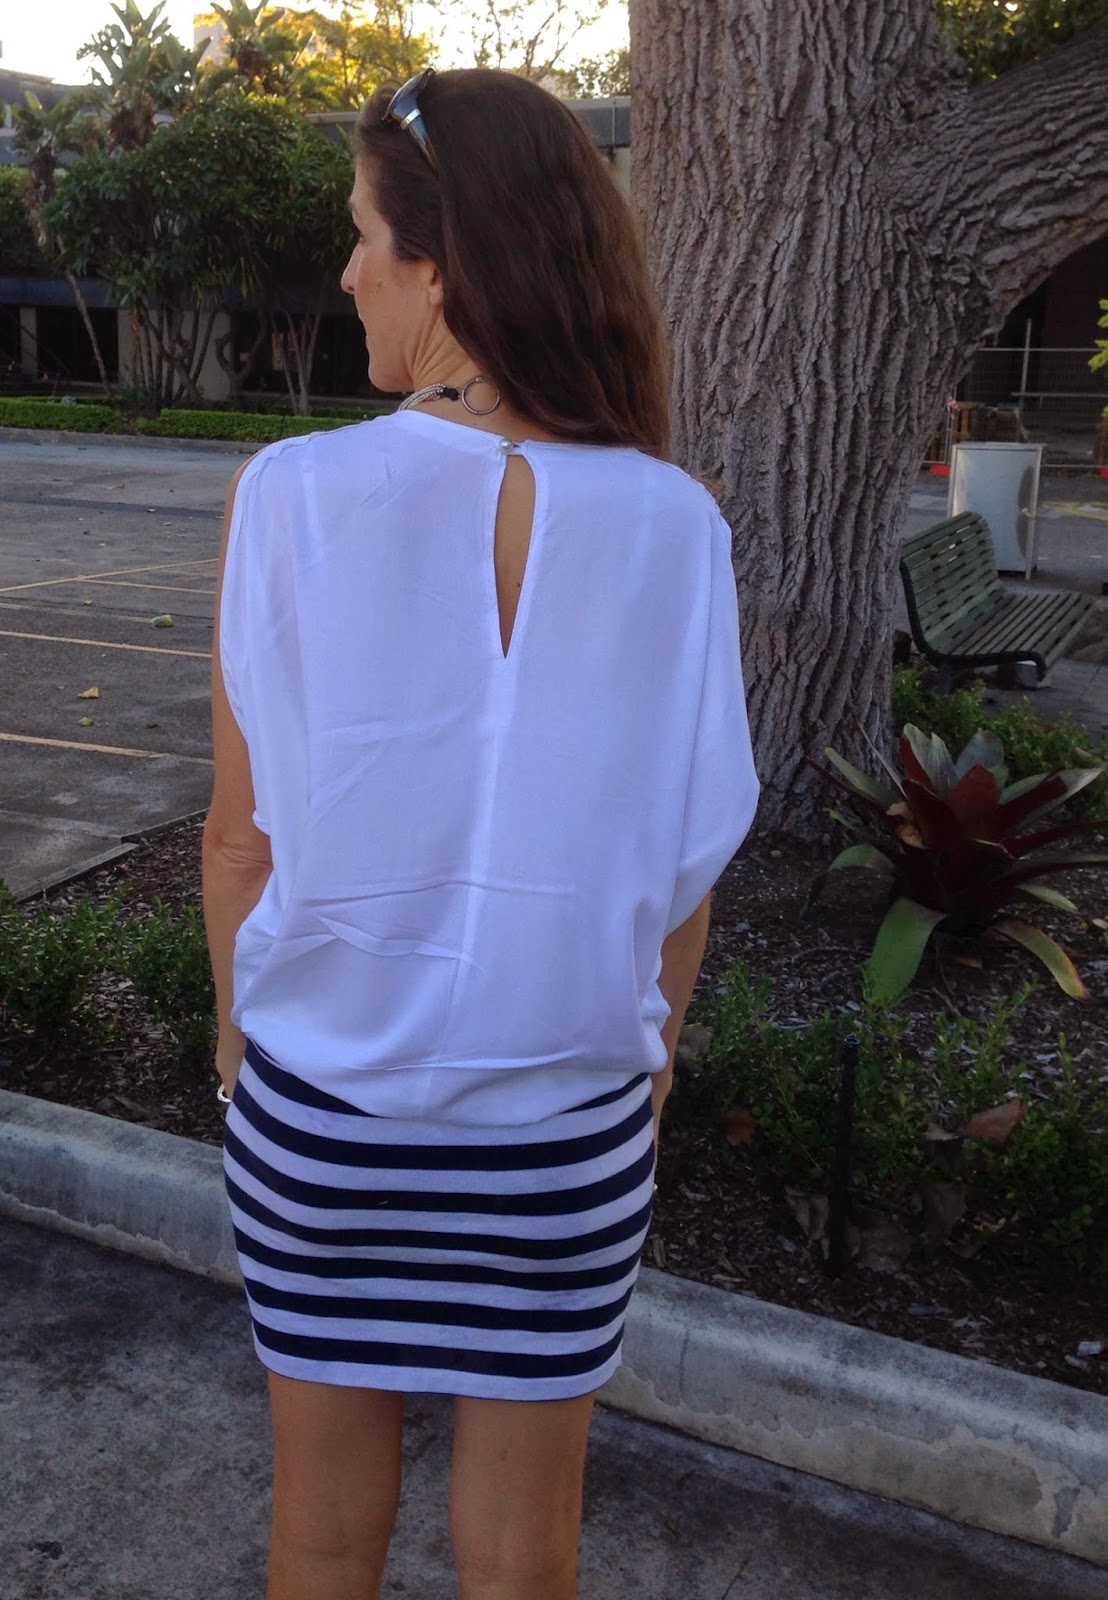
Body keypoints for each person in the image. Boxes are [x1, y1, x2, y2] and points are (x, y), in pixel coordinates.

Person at [202, 65, 758, 1600]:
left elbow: (240, 843)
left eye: (362, 233)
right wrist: (649, 1072)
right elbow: (686, 866)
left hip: (325, 1118)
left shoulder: (291, 495)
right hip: (563, 1136)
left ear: (438, 267)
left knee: (323, 1533)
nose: (347, 271)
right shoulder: (676, 522)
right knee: (525, 1555)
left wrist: (240, 1052)